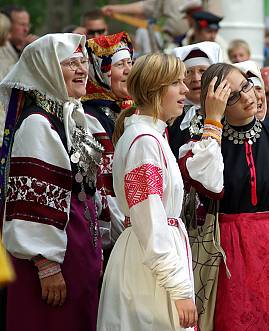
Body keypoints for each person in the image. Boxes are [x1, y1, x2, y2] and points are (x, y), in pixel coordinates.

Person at [179, 63, 269, 330]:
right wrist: (213, 123)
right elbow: (211, 184)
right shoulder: (201, 147)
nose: (247, 97)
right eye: (232, 96)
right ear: (215, 104)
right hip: (224, 255)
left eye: (245, 86)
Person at [0, 33, 103, 331]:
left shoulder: (69, 116)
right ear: (46, 69)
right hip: (51, 261)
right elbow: (32, 202)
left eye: (83, 61)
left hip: (77, 250)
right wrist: (46, 265)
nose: (83, 69)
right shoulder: (38, 124)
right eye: (72, 63)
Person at [97, 52, 197, 330]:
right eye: (177, 82)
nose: (185, 90)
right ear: (155, 89)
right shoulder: (144, 143)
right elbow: (149, 218)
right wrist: (178, 288)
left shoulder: (152, 136)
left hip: (151, 258)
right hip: (148, 265)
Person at [82, 32, 134, 249]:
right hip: (116, 237)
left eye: (130, 62)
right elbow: (105, 185)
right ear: (99, 71)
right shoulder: (88, 116)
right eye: (119, 64)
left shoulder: (129, 109)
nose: (129, 70)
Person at [169, 41, 223, 159]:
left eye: (202, 71)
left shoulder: (228, 113)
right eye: (188, 72)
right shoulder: (171, 117)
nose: (196, 78)